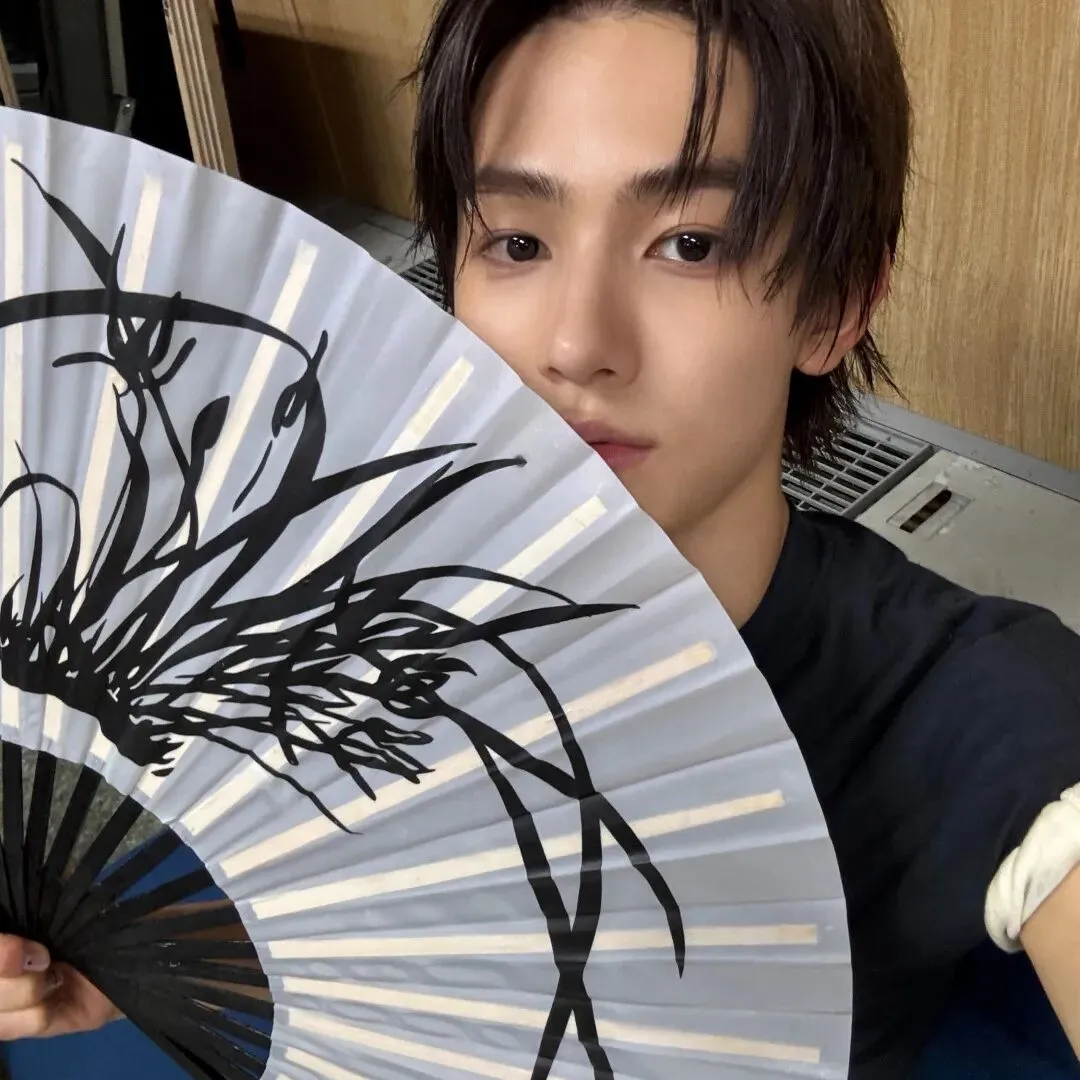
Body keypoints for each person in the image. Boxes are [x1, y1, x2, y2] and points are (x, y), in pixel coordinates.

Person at [2, 1, 1079, 1076]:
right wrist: (155, 952)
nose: (575, 343)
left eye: (690, 244)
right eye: (516, 243)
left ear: (836, 301)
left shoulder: (965, 706)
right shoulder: (332, 603)